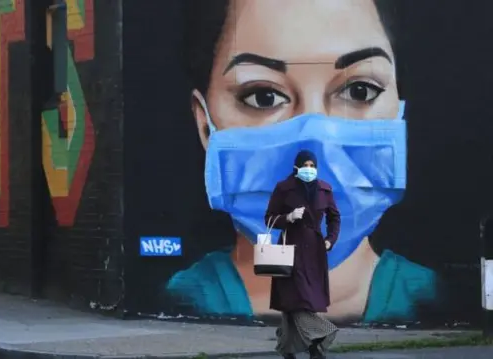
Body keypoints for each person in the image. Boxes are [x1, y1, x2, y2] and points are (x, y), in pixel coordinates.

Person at [167, 0, 440, 324]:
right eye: (263, 96)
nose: (313, 138)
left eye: (360, 90)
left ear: (399, 110)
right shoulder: (184, 297)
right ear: (205, 125)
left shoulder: (431, 296)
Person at [265, 150, 339, 359]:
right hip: (290, 249)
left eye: (312, 165)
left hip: (316, 251)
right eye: (305, 165)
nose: (309, 169)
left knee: (295, 302)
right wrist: (288, 217)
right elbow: (269, 218)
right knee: (298, 298)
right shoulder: (283, 188)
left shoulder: (324, 189)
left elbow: (335, 217)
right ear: (297, 167)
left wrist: (330, 240)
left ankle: (288, 349)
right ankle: (321, 335)